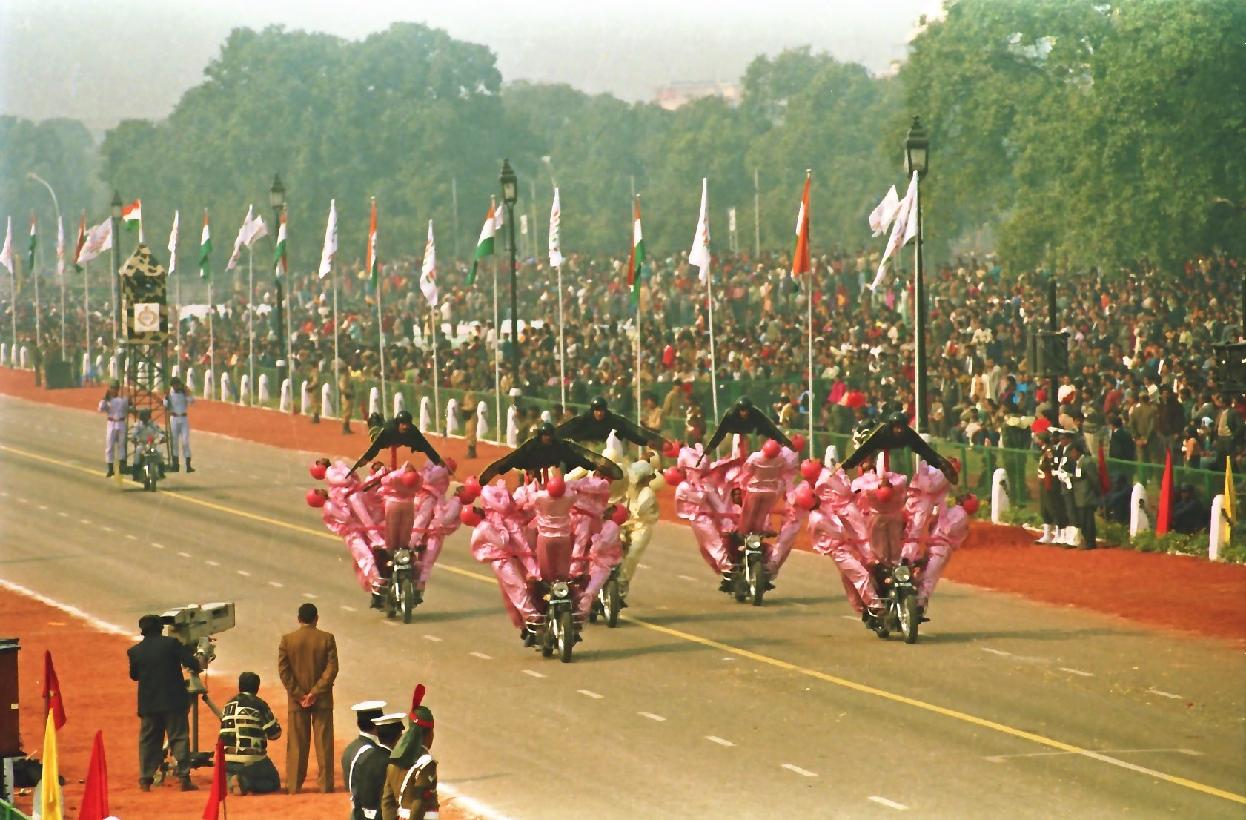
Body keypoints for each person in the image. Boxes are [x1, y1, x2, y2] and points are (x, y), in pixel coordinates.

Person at [127, 614, 201, 792]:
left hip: (149, 704)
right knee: (179, 737)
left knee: (148, 741)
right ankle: (184, 777)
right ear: (160, 628)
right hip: (173, 701)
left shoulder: (135, 651)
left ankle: (145, 779)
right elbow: (192, 663)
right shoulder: (171, 644)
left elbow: (134, 676)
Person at [277, 603, 339, 794]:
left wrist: (299, 694)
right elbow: (332, 669)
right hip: (322, 699)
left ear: (298, 619)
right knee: (324, 743)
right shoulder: (327, 639)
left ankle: (294, 785)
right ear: (316, 619)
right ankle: (326, 785)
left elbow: (284, 672)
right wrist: (315, 692)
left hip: (297, 701)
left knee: (296, 744)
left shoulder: (287, 640)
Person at [479, 422, 623, 484]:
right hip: (534, 470)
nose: (547, 438)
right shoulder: (531, 445)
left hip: (553, 472)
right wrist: (488, 475)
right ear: (540, 435)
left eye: (549, 435)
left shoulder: (559, 445)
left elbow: (579, 456)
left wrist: (595, 466)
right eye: (545, 435)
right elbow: (511, 459)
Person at [841, 411, 959, 483]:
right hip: (877, 450)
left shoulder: (908, 434)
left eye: (901, 427)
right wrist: (846, 465)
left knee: (925, 453)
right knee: (867, 459)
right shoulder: (881, 433)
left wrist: (943, 464)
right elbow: (862, 451)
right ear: (891, 426)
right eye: (896, 427)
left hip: (898, 458)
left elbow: (926, 451)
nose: (899, 430)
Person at [217, 671, 282, 795]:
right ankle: (245, 783)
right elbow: (275, 734)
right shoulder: (259, 704)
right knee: (274, 783)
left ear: (239, 686)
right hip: (251, 760)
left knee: (231, 772)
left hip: (226, 759)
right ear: (257, 688)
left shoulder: (228, 705)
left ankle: (231, 781)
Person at [381, 687, 438, 820]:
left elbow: (387, 801)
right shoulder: (426, 763)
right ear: (429, 733)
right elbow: (419, 803)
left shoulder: (394, 759)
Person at [349, 710, 404, 820]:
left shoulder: (366, 757)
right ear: (398, 738)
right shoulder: (392, 763)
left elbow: (357, 794)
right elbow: (394, 800)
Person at [352, 410, 444, 472]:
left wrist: (438, 461)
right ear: (398, 423)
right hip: (385, 438)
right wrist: (365, 460)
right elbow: (375, 447)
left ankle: (379, 420)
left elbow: (426, 446)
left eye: (407, 424)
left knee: (417, 443)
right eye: (403, 424)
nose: (405, 427)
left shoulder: (412, 430)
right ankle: (375, 419)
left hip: (399, 439)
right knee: (375, 434)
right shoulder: (388, 429)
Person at [556, 396, 665, 449]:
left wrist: (645, 442)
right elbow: (568, 428)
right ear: (592, 410)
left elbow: (629, 433)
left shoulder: (613, 420)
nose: (599, 413)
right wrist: (554, 435)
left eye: (601, 410)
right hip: (587, 452)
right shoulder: (584, 419)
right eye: (596, 410)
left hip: (609, 453)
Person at [701, 397, 793, 458]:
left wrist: (786, 442)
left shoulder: (756, 413)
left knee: (764, 434)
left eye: (746, 410)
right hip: (734, 433)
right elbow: (720, 433)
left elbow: (771, 428)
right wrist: (710, 447)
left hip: (751, 432)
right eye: (742, 410)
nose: (744, 413)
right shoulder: (730, 414)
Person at [1066, 440, 1100, 549]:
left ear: (1077, 451)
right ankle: (1087, 540)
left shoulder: (1087, 462)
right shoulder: (1080, 462)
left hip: (1087, 495)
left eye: (1072, 452)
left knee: (1088, 520)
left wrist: (1097, 493)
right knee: (1083, 520)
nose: (1071, 455)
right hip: (1080, 496)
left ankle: (1090, 542)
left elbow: (1094, 479)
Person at [163, 376, 195, 472]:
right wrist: (166, 397)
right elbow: (164, 405)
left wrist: (187, 393)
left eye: (177, 384)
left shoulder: (183, 393)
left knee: (185, 442)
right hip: (174, 418)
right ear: (172, 385)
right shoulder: (170, 394)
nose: (176, 386)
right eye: (175, 385)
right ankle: (175, 465)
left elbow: (192, 401)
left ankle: (188, 465)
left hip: (184, 418)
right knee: (174, 442)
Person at [99, 381, 129, 476]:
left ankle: (121, 467)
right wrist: (104, 399)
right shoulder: (107, 400)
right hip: (111, 423)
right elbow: (100, 409)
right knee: (109, 446)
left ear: (118, 389)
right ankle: (110, 468)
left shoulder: (123, 399)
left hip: (121, 422)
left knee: (121, 445)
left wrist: (129, 400)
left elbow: (128, 407)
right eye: (112, 388)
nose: (114, 390)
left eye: (115, 388)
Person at [128, 409, 166, 481]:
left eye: (146, 416)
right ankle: (135, 474)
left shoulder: (153, 424)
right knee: (137, 454)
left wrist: (162, 438)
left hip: (152, 444)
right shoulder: (138, 425)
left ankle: (161, 472)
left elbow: (159, 432)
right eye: (143, 416)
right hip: (142, 444)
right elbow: (134, 434)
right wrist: (134, 439)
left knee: (159, 453)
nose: (145, 418)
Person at [339, 367, 356, 435]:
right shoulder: (343, 378)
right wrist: (348, 392)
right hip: (346, 396)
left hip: (350, 396)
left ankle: (348, 428)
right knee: (346, 413)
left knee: (349, 413)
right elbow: (342, 388)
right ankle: (344, 428)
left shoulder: (348, 378)